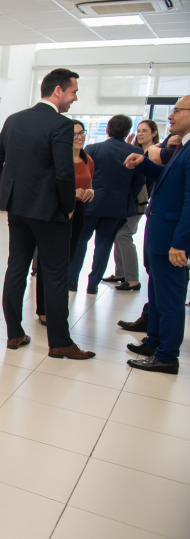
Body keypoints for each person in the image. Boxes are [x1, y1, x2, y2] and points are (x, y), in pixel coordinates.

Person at [0, 68, 95, 360]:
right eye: (73, 92)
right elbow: (63, 173)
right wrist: (69, 206)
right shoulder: (61, 124)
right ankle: (59, 342)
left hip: (18, 210)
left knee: (17, 269)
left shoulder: (14, 119)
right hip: (49, 213)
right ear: (58, 91)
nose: (74, 99)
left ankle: (14, 334)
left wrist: (9, 192)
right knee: (56, 275)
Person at [123, 95, 190, 374]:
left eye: (177, 111)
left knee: (171, 298)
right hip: (160, 230)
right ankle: (154, 341)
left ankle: (166, 356)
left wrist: (180, 242)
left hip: (172, 238)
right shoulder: (181, 147)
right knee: (158, 292)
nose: (171, 116)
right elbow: (169, 178)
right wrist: (144, 163)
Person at [68, 115, 144, 294]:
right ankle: (93, 284)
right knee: (104, 245)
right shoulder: (136, 152)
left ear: (108, 129)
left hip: (90, 203)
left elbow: (84, 173)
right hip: (116, 205)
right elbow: (139, 181)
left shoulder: (93, 148)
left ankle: (72, 281)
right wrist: (126, 196)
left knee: (80, 242)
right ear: (127, 132)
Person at [35, 120, 95, 325]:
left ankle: (56, 307)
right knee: (50, 262)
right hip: (59, 211)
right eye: (75, 134)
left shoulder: (88, 159)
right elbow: (48, 188)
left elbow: (90, 182)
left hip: (79, 212)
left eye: (82, 133)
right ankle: (43, 310)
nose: (79, 137)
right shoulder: (57, 161)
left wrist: (90, 191)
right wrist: (71, 193)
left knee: (67, 260)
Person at [104, 119, 158, 289]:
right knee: (118, 235)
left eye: (145, 131)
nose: (140, 134)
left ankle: (133, 279)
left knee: (124, 235)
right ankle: (121, 273)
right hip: (127, 199)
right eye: (139, 130)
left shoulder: (156, 152)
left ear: (154, 133)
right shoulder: (134, 149)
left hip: (139, 200)